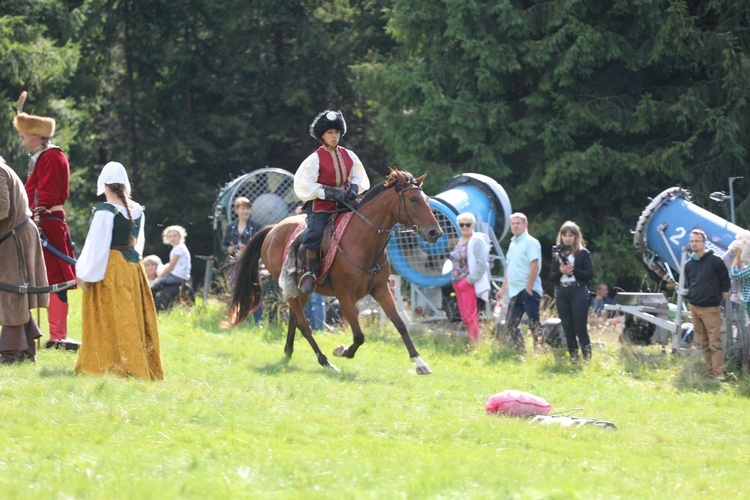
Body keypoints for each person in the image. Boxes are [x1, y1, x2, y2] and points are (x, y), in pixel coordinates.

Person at [75, 162, 163, 379]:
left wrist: (85, 274)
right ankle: (136, 364)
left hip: (111, 268)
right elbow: (137, 244)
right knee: (130, 316)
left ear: (104, 186)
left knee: (111, 317)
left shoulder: (105, 211)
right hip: (134, 268)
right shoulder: (137, 209)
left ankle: (112, 364)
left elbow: (96, 246)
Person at [13, 91, 78, 350]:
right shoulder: (42, 155)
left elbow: (47, 195)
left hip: (47, 222)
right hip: (40, 220)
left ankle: (59, 336)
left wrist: (33, 213)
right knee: (41, 279)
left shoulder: (51, 156)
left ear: (36, 135)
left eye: (24, 133)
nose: (21, 137)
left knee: (55, 280)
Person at [294, 110, 370, 294]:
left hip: (346, 205)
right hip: (321, 206)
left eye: (336, 132)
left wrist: (353, 188)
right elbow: (303, 186)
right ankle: (310, 273)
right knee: (315, 233)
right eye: (330, 133)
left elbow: (360, 179)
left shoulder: (350, 155)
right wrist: (328, 192)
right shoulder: (314, 159)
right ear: (322, 135)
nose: (334, 136)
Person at [0, 156, 48, 364]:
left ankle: (9, 354)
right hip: (14, 235)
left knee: (11, 292)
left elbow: (2, 208)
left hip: (15, 237)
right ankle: (25, 351)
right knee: (13, 293)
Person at [683, 228, 730, 381]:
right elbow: (690, 283)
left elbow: (725, 284)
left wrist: (716, 300)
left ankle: (718, 375)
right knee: (703, 342)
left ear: (704, 243)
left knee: (714, 343)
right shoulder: (689, 264)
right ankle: (710, 373)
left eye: (697, 241)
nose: (694, 244)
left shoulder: (716, 261)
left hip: (710, 308)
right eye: (692, 241)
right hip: (694, 307)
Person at [496, 213, 543, 352]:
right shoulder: (512, 243)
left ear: (525, 224)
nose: (515, 226)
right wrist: (502, 289)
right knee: (510, 324)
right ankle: (522, 351)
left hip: (528, 289)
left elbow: (535, 265)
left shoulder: (530, 242)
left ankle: (539, 351)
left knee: (533, 323)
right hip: (514, 290)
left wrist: (529, 286)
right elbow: (510, 268)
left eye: (518, 223)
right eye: (513, 224)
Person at [549, 221, 594, 362]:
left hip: (578, 291)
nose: (567, 238)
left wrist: (573, 271)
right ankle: (574, 359)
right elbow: (551, 276)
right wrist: (561, 271)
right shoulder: (557, 254)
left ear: (576, 237)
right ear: (561, 237)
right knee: (567, 328)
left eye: (570, 235)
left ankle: (587, 360)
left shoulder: (583, 253)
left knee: (580, 328)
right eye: (565, 235)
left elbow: (589, 274)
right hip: (562, 292)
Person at [448, 213, 491, 343]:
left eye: (468, 224)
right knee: (464, 315)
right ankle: (472, 341)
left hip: (467, 283)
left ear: (474, 225)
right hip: (457, 282)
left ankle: (476, 343)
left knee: (470, 314)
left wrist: (469, 280)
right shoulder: (461, 240)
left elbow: (482, 264)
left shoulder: (476, 240)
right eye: (462, 224)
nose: (465, 227)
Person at [222, 196, 262, 323]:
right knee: (237, 291)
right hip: (234, 264)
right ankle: (239, 319)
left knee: (255, 292)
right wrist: (232, 248)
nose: (246, 211)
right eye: (243, 208)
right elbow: (223, 245)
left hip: (251, 264)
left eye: (248, 209)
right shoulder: (230, 226)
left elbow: (261, 245)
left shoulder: (256, 226)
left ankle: (257, 320)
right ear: (237, 210)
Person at [150, 225, 191, 311]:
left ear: (180, 236)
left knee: (153, 287)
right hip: (179, 276)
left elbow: (171, 266)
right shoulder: (179, 248)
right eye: (170, 236)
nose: (172, 238)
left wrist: (159, 277)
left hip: (177, 276)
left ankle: (153, 307)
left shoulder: (179, 249)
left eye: (175, 236)